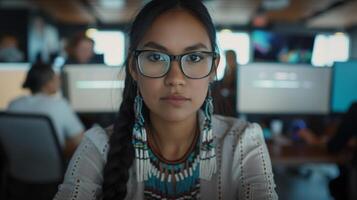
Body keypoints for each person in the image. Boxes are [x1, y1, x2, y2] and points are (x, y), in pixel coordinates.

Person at [54, 0, 277, 199]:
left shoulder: (243, 143)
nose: (175, 78)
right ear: (134, 67)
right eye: (155, 57)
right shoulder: (98, 147)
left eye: (194, 57)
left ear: (213, 69)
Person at [7, 63, 84, 158]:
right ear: (48, 83)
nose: (59, 82)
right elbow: (79, 141)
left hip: (15, 169)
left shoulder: (14, 104)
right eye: (56, 78)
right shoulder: (59, 105)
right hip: (51, 168)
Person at [211, 49, 238, 117]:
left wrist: (228, 92)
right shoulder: (227, 69)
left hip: (233, 97)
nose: (227, 60)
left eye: (229, 57)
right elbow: (223, 82)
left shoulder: (238, 70)